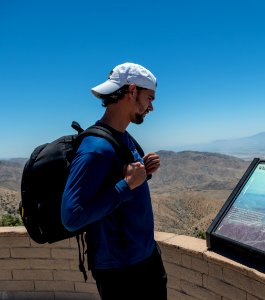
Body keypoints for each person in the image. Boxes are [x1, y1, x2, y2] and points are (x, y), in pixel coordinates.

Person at [61, 62, 167, 299]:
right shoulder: (95, 148)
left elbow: (121, 183)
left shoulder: (122, 136)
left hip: (144, 258)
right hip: (122, 273)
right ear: (131, 91)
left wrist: (144, 172)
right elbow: (71, 216)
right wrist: (126, 185)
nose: (151, 106)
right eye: (149, 97)